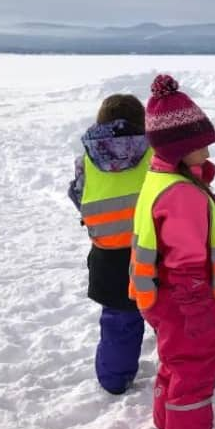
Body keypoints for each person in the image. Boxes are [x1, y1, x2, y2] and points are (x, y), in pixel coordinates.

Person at [129, 75, 215, 429]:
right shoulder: (183, 194)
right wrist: (199, 307)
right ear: (178, 150)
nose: (207, 152)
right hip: (185, 296)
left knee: (173, 363)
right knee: (194, 365)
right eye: (200, 145)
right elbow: (187, 260)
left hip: (158, 294)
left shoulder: (157, 180)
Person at [69, 93, 152, 395]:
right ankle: (177, 369)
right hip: (153, 251)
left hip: (107, 257)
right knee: (169, 318)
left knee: (118, 322)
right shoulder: (155, 153)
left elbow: (79, 196)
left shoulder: (86, 161)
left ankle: (114, 380)